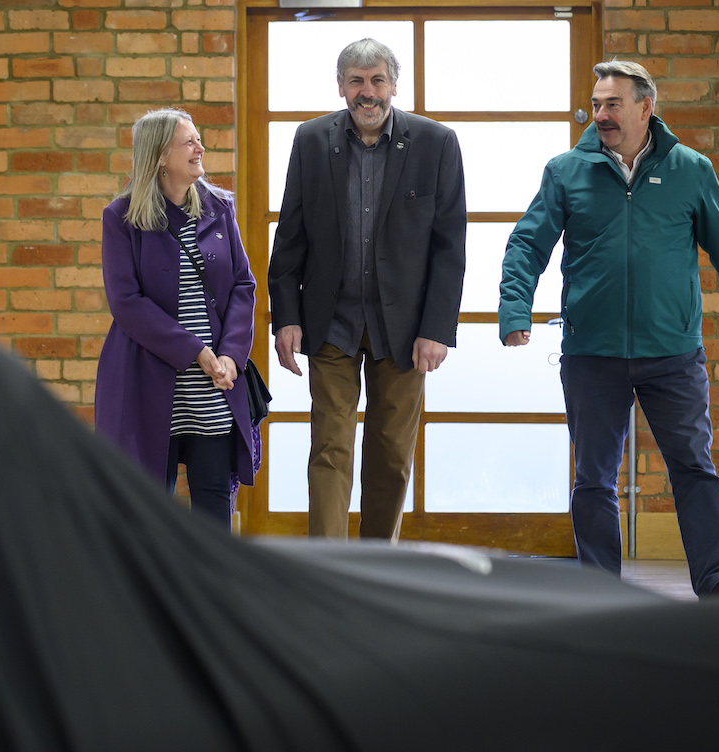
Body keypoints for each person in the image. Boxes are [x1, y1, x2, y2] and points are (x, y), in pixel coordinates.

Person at [499, 60, 719, 599]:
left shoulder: (689, 169)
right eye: (598, 104)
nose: (601, 114)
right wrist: (515, 312)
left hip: (672, 353)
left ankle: (717, 583)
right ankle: (602, 594)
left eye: (613, 104)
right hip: (592, 353)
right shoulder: (565, 171)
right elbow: (527, 244)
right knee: (593, 480)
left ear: (645, 107)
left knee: (695, 469)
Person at [268, 38, 467, 540]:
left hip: (403, 327)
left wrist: (437, 329)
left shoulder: (436, 142)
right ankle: (330, 575)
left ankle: (377, 569)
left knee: (391, 453)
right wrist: (285, 316)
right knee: (330, 449)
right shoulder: (311, 140)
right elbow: (290, 235)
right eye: (356, 81)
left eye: (377, 80)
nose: (367, 92)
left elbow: (450, 247)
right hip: (331, 320)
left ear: (394, 85)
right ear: (340, 86)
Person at [95, 108, 257, 529]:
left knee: (214, 499)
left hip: (212, 381)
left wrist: (231, 356)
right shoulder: (121, 217)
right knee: (148, 506)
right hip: (147, 379)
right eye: (189, 141)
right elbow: (126, 302)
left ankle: (211, 592)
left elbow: (243, 286)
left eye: (198, 138)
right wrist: (194, 351)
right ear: (160, 156)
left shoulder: (220, 209)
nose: (200, 147)